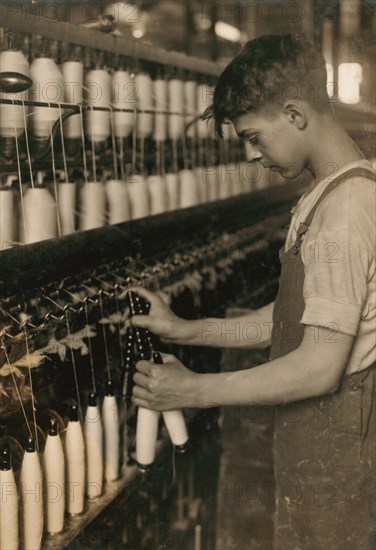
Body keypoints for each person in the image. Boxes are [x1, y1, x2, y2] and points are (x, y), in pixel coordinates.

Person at [130, 34, 376, 550]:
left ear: (294, 114)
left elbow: (319, 365)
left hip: (340, 471)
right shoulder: (328, 195)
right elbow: (290, 321)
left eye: (255, 137)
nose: (252, 155)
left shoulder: (345, 213)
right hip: (319, 456)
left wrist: (194, 390)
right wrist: (188, 329)